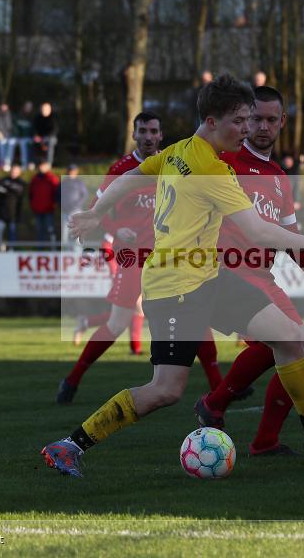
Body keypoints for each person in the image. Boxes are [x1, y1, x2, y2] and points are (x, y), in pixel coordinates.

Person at [41, 74, 304, 478]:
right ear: (214, 120)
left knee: (291, 339)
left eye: (251, 120)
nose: (247, 129)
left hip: (207, 276)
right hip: (175, 290)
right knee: (165, 390)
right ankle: (68, 445)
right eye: (239, 121)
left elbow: (135, 176)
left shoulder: (180, 150)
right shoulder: (211, 170)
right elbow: (259, 232)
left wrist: (97, 210)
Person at [194, 85, 304, 456]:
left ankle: (250, 431)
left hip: (261, 276)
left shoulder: (278, 178)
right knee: (285, 343)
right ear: (244, 118)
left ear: (283, 122)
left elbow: (291, 241)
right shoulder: (224, 161)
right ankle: (227, 410)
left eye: (272, 119)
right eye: (255, 118)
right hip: (227, 271)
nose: (262, 126)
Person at [57, 112, 222, 401]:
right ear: (134, 134)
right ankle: (72, 380)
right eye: (142, 130)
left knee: (196, 316)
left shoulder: (174, 163)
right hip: (134, 258)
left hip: (170, 257)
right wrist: (117, 228)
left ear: (161, 135)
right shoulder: (121, 169)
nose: (148, 136)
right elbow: (98, 212)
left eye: (153, 131)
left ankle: (219, 387)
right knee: (117, 323)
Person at [0, 164, 26, 247]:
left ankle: (12, 250)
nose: (13, 173)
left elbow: (18, 192)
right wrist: (10, 190)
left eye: (16, 171)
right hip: (1, 213)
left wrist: (7, 189)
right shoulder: (3, 180)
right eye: (12, 171)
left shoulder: (21, 183)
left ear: (19, 172)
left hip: (13, 213)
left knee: (12, 234)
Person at [29, 160, 59, 243]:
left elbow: (56, 193)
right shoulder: (35, 179)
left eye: (43, 166)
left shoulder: (52, 179)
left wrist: (54, 204)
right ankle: (40, 249)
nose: (41, 167)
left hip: (49, 209)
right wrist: (33, 205)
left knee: (50, 229)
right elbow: (31, 193)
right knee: (39, 230)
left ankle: (53, 249)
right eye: (40, 165)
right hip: (38, 209)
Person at [13, 101, 35, 167]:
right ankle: (24, 164)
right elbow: (15, 128)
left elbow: (35, 129)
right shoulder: (19, 116)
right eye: (27, 107)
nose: (28, 108)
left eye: (29, 107)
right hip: (21, 138)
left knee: (31, 144)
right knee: (23, 143)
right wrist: (18, 136)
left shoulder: (33, 117)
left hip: (31, 137)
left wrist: (34, 136)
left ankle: (31, 163)